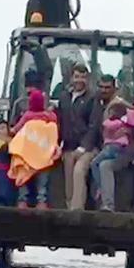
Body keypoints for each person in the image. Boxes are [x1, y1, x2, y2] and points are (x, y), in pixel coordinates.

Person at [91, 75, 134, 212]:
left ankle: (108, 205)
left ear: (115, 89)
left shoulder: (123, 106)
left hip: (124, 150)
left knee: (105, 166)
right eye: (101, 87)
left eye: (107, 87)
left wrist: (128, 131)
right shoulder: (96, 104)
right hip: (104, 147)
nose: (104, 90)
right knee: (94, 163)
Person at [58, 64, 98, 210]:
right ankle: (69, 207)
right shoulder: (64, 97)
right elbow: (60, 121)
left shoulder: (93, 99)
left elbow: (94, 125)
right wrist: (57, 144)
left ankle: (77, 210)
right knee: (68, 174)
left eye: (83, 77)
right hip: (68, 147)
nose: (79, 80)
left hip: (88, 148)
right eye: (76, 77)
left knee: (79, 171)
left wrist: (83, 147)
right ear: (71, 78)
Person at [11, 89, 59, 209]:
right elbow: (54, 129)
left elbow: (16, 129)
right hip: (43, 153)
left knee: (23, 176)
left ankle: (22, 201)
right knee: (43, 180)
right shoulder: (50, 116)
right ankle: (41, 201)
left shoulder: (27, 116)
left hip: (27, 154)